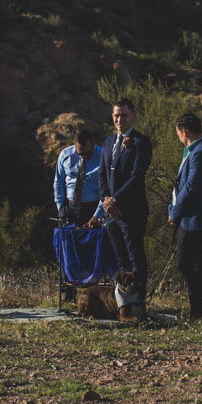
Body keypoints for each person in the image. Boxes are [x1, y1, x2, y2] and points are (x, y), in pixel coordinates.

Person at [99, 99, 152, 300]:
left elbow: (136, 176)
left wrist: (115, 200)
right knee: (121, 260)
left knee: (135, 257)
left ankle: (139, 302)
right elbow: (102, 173)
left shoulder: (141, 142)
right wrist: (106, 200)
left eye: (124, 115)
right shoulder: (107, 142)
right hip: (111, 213)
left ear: (133, 116)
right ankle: (124, 302)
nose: (119, 119)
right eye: (116, 115)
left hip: (131, 211)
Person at [167, 113, 202, 320]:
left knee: (188, 263)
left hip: (193, 217)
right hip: (188, 216)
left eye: (178, 132)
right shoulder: (193, 151)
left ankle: (198, 308)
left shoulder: (200, 152)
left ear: (184, 131)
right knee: (191, 262)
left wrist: (176, 211)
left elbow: (191, 186)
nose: (177, 136)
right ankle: (197, 308)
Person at [54, 127, 103, 225]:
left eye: (88, 153)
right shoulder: (65, 155)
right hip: (69, 208)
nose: (84, 156)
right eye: (80, 154)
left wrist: (97, 215)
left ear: (93, 142)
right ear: (74, 143)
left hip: (94, 208)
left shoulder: (103, 156)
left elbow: (108, 188)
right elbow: (58, 182)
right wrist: (60, 208)